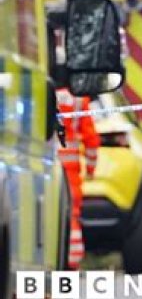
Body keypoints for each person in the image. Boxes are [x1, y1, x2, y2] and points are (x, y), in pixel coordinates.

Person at [56, 87, 99, 270]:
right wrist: (90, 167)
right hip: (70, 169)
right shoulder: (79, 98)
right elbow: (90, 137)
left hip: (43, 162)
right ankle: (71, 262)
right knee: (71, 214)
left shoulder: (39, 88)